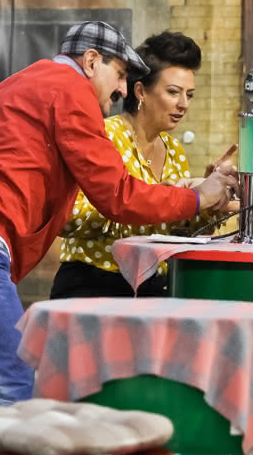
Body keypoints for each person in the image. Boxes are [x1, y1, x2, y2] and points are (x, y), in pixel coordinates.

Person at [0, 21, 238, 407]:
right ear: (91, 61)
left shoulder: (14, 86)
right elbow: (118, 197)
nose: (123, 89)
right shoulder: (71, 90)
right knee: (18, 400)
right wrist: (195, 198)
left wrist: (194, 195)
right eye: (121, 75)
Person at [52, 31, 233, 299]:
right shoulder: (104, 135)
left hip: (154, 286)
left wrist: (209, 203)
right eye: (173, 92)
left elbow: (175, 233)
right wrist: (153, 198)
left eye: (190, 95)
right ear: (140, 91)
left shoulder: (174, 151)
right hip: (92, 283)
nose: (183, 104)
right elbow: (69, 218)